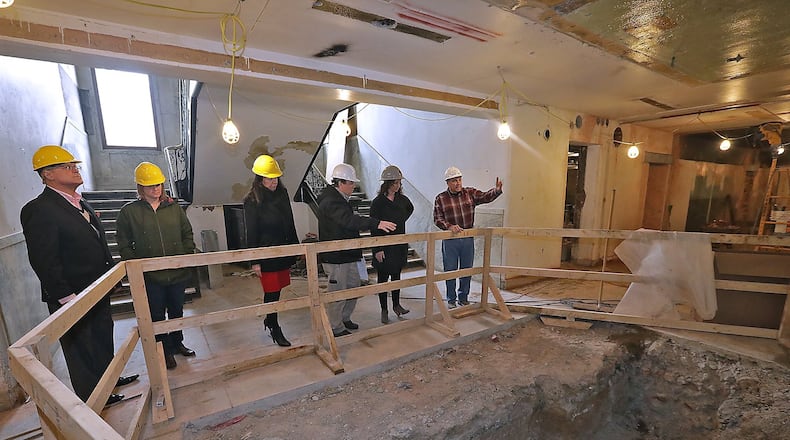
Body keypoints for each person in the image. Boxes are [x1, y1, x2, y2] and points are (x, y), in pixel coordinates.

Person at [21, 145, 137, 407]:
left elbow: (96, 243)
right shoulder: (39, 209)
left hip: (96, 288)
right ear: (47, 174)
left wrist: (110, 278)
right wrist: (65, 296)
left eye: (75, 165)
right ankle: (94, 396)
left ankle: (109, 378)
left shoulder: (78, 201)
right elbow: (43, 259)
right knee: (81, 348)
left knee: (101, 336)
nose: (75, 169)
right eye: (66, 166)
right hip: (72, 294)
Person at [115, 162, 196, 370]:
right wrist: (136, 267)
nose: (155, 189)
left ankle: (177, 342)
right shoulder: (129, 213)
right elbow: (124, 243)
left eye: (158, 184)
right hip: (151, 276)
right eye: (150, 185)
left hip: (177, 272)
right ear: (140, 188)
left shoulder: (173, 208)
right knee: (157, 314)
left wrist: (186, 256)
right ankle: (164, 349)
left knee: (177, 310)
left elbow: (187, 233)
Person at [318, 163, 396, 337]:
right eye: (351, 183)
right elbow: (349, 221)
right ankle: (335, 327)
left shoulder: (340, 198)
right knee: (338, 293)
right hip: (336, 256)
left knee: (353, 287)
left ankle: (344, 318)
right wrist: (376, 223)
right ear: (340, 183)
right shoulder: (330, 201)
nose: (354, 186)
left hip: (348, 253)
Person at [243, 155, 299, 347]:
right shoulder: (252, 200)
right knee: (271, 290)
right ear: (260, 179)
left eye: (276, 178)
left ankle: (270, 318)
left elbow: (290, 221)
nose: (274, 182)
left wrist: (295, 247)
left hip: (283, 249)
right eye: (269, 178)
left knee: (278, 289)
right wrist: (255, 260)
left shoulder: (282, 194)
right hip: (266, 254)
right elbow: (251, 232)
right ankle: (274, 325)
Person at [433, 166, 503, 308]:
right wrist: (449, 226)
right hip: (450, 240)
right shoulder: (441, 198)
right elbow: (437, 218)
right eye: (454, 181)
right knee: (450, 270)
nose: (458, 183)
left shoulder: (469, 193)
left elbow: (484, 197)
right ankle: (451, 299)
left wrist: (496, 191)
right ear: (447, 183)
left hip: (467, 238)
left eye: (459, 179)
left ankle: (463, 297)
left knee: (467, 269)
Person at [370, 165, 414, 324]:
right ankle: (384, 309)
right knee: (383, 278)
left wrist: (399, 223)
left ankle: (396, 305)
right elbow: (373, 227)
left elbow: (410, 209)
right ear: (387, 183)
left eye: (399, 183)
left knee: (396, 276)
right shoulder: (378, 203)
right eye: (394, 183)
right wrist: (377, 249)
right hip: (384, 245)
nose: (397, 186)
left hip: (399, 245)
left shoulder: (403, 200)